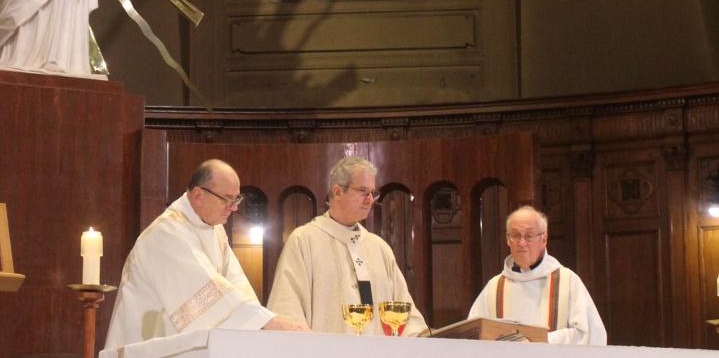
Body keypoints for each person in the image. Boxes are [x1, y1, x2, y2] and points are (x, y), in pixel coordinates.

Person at [104, 159, 307, 348]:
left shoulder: (215, 231)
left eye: (237, 199)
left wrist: (261, 324)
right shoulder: (167, 233)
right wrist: (266, 321)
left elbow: (236, 287)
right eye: (227, 199)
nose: (234, 208)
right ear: (198, 195)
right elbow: (207, 294)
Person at [267, 156, 428, 336]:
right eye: (362, 191)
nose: (370, 200)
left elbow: (404, 312)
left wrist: (424, 339)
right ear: (337, 192)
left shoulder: (379, 248)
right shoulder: (304, 241)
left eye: (373, 193)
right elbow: (288, 311)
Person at [468, 205, 607, 345]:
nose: (521, 243)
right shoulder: (495, 287)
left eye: (528, 236)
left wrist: (542, 340)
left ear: (544, 239)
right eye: (515, 235)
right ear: (508, 240)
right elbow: (472, 337)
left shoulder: (567, 281)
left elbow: (590, 334)